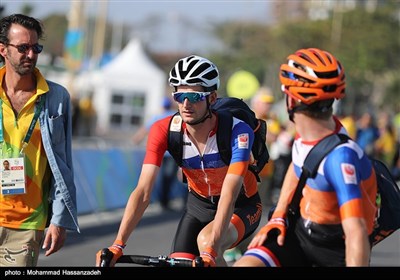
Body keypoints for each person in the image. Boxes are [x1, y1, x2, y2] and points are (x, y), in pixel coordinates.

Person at [96, 55, 262, 267]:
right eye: (179, 95)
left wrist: (211, 250)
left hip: (241, 205)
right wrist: (118, 245)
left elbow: (229, 194)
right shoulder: (163, 130)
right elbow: (143, 191)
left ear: (211, 98)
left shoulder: (237, 131)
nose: (185, 104)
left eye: (193, 97)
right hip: (198, 206)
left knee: (207, 243)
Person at [233, 48, 378, 267]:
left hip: (334, 248)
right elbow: (298, 165)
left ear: (291, 100)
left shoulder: (341, 157)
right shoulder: (308, 135)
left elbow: (356, 230)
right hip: (299, 234)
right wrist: (279, 214)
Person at [0, 14, 79, 266]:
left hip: (26, 224)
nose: (31, 55)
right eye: (23, 48)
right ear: (3, 49)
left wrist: (59, 219)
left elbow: (62, 162)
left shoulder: (56, 97)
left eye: (36, 48)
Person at [132, 95, 182, 210]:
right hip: (172, 154)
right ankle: (164, 201)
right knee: (169, 178)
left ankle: (161, 201)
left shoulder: (157, 117)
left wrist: (135, 140)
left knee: (157, 178)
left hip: (158, 153)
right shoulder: (174, 116)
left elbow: (144, 130)